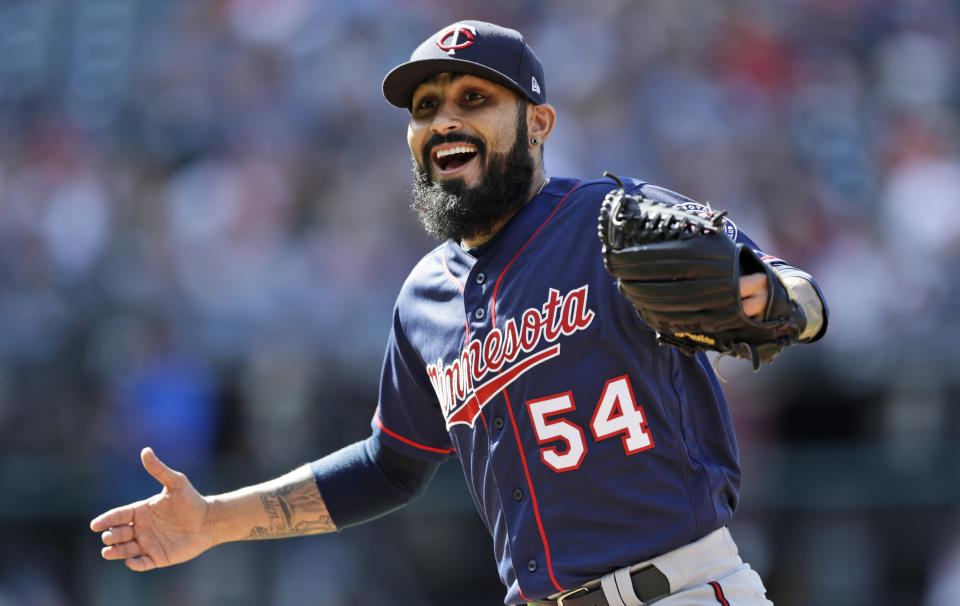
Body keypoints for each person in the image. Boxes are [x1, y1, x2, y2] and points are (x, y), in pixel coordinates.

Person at [91, 20, 827, 606]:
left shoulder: (610, 218)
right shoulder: (423, 298)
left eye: (475, 100)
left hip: (679, 590)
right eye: (426, 108)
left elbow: (802, 299)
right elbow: (389, 466)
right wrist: (216, 521)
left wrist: (756, 297)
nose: (445, 120)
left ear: (538, 122)